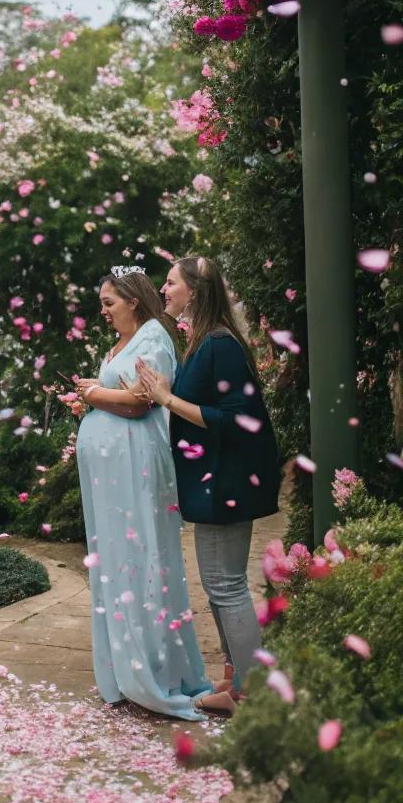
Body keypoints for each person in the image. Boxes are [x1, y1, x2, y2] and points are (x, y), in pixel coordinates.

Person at [135, 255, 280, 717]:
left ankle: (253, 692)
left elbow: (240, 419)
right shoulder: (205, 341)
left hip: (227, 483)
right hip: (215, 482)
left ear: (195, 292)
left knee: (227, 585)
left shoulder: (220, 345)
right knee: (221, 586)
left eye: (171, 283)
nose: (165, 290)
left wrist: (167, 398)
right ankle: (234, 684)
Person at [73, 268, 211, 720]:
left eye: (110, 302)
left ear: (134, 300)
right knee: (115, 563)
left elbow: (139, 403)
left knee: (141, 558)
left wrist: (95, 394)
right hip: (111, 474)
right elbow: (121, 394)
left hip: (135, 466)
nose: (104, 310)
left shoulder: (153, 338)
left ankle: (154, 670)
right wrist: (94, 397)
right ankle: (123, 670)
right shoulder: (122, 344)